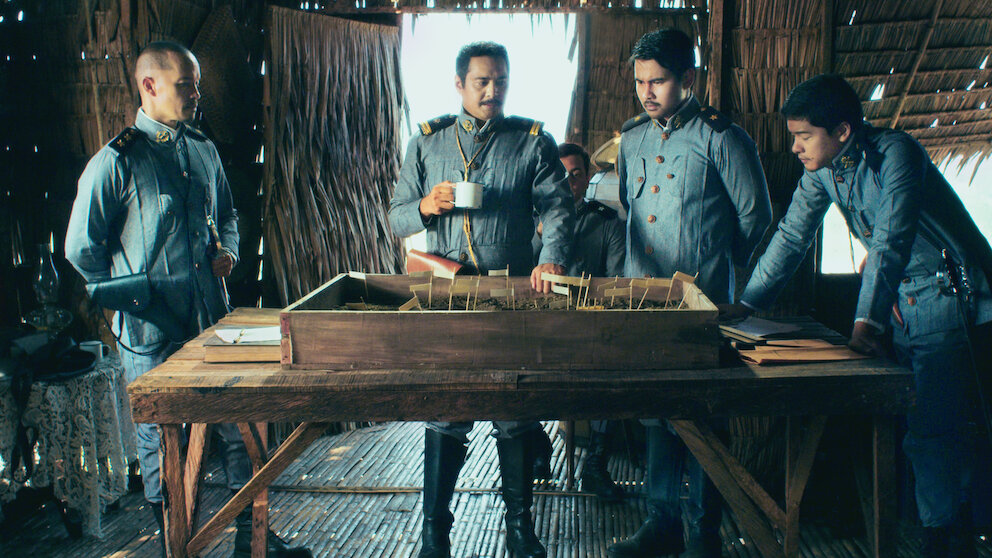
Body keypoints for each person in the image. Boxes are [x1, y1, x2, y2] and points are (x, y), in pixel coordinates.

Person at [723, 73, 992, 557]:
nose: (796, 148)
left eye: (805, 136)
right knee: (919, 431)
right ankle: (937, 531)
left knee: (940, 430)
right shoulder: (823, 171)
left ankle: (948, 542)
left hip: (952, 298)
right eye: (794, 136)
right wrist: (747, 305)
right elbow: (791, 237)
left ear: (843, 131)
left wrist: (866, 322)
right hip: (900, 303)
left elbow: (891, 238)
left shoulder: (897, 154)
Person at [65, 41, 310, 558]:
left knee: (240, 427)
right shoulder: (115, 162)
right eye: (185, 85)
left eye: (196, 85)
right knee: (162, 442)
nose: (197, 94)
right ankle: (174, 547)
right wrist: (131, 294)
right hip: (150, 333)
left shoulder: (202, 149)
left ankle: (253, 540)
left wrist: (231, 252)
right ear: (149, 86)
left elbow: (229, 216)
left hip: (212, 321)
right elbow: (80, 250)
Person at [388, 42, 574, 558]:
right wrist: (425, 206)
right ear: (459, 84)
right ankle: (434, 535)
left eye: (501, 81)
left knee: (514, 410)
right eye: (482, 82)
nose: (493, 91)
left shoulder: (533, 142)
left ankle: (520, 530)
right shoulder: (427, 142)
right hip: (447, 297)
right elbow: (396, 217)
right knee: (446, 411)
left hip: (509, 295)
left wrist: (552, 257)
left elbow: (559, 207)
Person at [607, 29, 772, 558]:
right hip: (644, 304)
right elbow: (631, 213)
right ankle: (662, 524)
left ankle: (703, 534)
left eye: (658, 81)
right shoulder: (632, 139)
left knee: (702, 414)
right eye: (640, 82)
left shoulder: (722, 137)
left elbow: (756, 217)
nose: (647, 92)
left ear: (688, 79)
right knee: (656, 410)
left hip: (703, 306)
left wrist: (720, 272)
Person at [533, 142, 626, 502]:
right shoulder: (532, 220)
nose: (570, 183)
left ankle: (595, 466)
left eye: (576, 175)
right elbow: (516, 273)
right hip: (541, 324)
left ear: (587, 179)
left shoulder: (607, 222)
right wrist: (539, 235)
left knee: (616, 370)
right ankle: (537, 448)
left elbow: (616, 281)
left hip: (592, 324)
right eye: (562, 176)